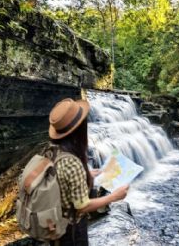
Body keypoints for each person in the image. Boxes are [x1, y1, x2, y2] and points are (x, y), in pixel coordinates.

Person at [47, 98, 129, 246]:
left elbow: (58, 177)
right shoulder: (72, 162)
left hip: (54, 221)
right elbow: (82, 207)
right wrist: (114, 197)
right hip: (70, 230)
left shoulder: (52, 150)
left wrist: (87, 175)